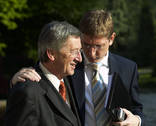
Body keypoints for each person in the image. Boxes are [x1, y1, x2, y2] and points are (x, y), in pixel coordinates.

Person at [11, 10, 145, 126]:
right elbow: (45, 71)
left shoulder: (128, 68)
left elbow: (136, 107)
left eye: (98, 46)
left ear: (111, 39)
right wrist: (16, 81)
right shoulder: (67, 66)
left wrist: (137, 120)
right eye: (86, 45)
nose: (91, 53)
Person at [5, 21, 82, 126]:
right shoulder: (28, 92)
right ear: (51, 54)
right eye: (73, 51)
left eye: (79, 51)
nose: (80, 58)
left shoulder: (71, 80)